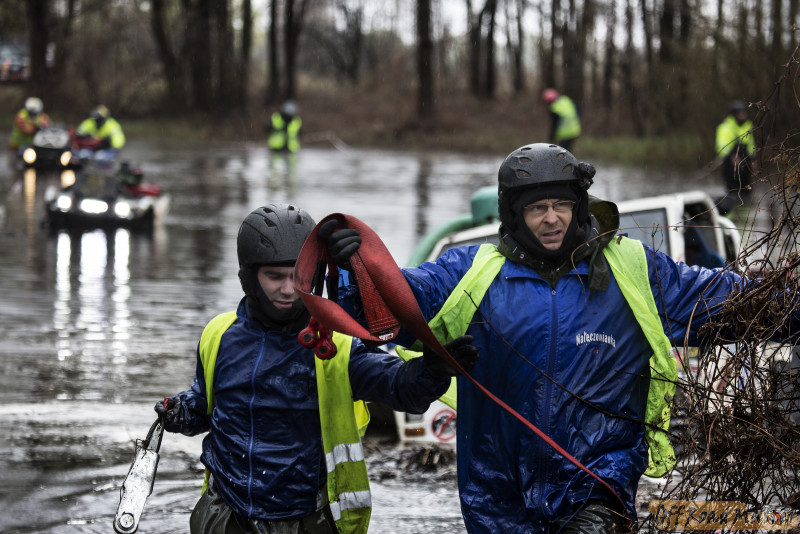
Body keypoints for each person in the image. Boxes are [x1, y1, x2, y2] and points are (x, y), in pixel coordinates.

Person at [322, 143, 799, 533]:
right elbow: (384, 306)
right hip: (497, 500)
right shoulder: (469, 273)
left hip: (598, 490)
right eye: (536, 209)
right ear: (514, 215)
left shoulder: (633, 269)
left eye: (561, 205)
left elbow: (732, 303)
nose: (551, 220)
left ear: (578, 205)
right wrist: (352, 267)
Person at [154, 203, 478, 534]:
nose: (287, 289)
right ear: (247, 278)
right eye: (274, 276)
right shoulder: (218, 334)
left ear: (314, 273)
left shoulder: (335, 345)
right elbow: (208, 405)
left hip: (305, 519)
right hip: (226, 516)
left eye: (297, 276)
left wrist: (434, 369)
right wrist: (183, 411)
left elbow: (399, 386)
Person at [715, 99, 757, 217]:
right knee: (732, 192)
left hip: (745, 165)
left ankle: (744, 216)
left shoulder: (748, 125)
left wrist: (753, 159)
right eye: (740, 113)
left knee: (746, 192)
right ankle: (732, 216)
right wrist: (731, 157)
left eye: (744, 112)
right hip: (730, 166)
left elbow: (751, 145)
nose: (742, 115)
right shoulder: (725, 127)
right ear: (734, 114)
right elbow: (721, 146)